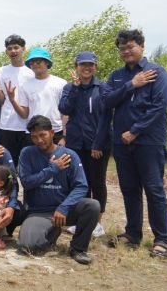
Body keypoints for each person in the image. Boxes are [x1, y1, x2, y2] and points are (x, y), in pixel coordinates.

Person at [102, 29, 167, 258]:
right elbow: (107, 101)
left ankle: (162, 240)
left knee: (154, 189)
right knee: (129, 189)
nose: (126, 51)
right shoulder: (116, 76)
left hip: (149, 142)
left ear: (141, 46)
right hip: (122, 145)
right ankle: (133, 233)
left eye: (130, 46)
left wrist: (135, 131)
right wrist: (132, 84)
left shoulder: (157, 73)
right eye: (122, 48)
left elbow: (159, 106)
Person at [17, 115, 99, 265]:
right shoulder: (27, 153)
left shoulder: (69, 155)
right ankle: (52, 233)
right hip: (39, 211)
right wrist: (52, 169)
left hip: (64, 210)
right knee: (26, 246)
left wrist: (64, 207)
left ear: (52, 133)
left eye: (42, 135)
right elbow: (26, 182)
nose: (39, 140)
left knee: (92, 206)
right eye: (34, 137)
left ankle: (78, 249)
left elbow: (81, 186)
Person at [58, 51, 112, 238]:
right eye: (82, 65)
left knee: (97, 182)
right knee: (80, 182)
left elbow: (106, 118)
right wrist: (74, 88)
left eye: (90, 65)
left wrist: (98, 144)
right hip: (75, 143)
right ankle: (82, 219)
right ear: (76, 67)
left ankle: (97, 222)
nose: (86, 68)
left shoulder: (103, 88)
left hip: (97, 145)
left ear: (95, 67)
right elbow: (64, 109)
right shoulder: (69, 87)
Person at [6, 48, 67, 144]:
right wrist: (12, 100)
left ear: (47, 63)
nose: (35, 64)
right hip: (33, 133)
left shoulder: (61, 83)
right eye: (32, 62)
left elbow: (66, 112)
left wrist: (64, 135)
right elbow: (24, 114)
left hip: (55, 131)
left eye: (38, 62)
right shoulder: (25, 85)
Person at [0, 34, 35, 167]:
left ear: (23, 49)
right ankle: (12, 189)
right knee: (7, 166)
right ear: (6, 52)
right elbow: (1, 100)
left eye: (16, 48)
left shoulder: (31, 72)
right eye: (10, 48)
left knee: (27, 166)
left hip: (27, 126)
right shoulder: (2, 71)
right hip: (7, 125)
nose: (13, 51)